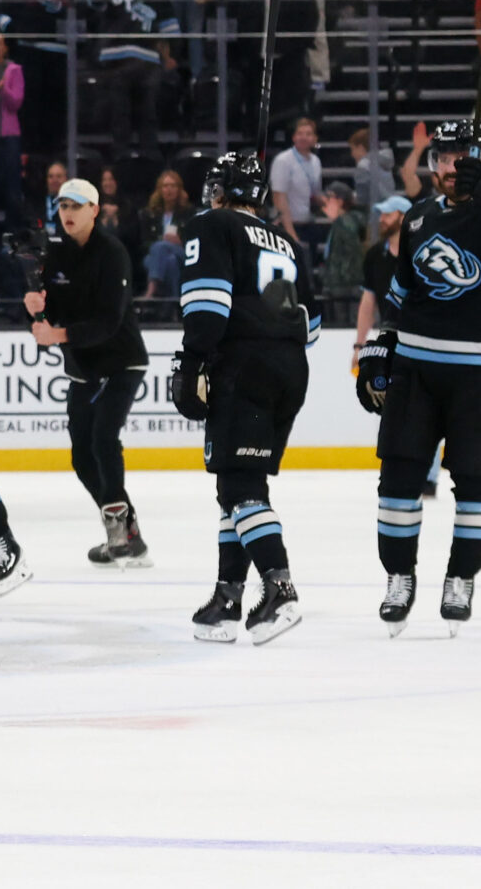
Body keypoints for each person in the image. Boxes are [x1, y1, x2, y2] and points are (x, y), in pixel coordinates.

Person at [357, 118, 481, 634]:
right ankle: (399, 576)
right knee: (397, 477)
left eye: (457, 158)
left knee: (476, 481)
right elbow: (401, 294)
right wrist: (379, 345)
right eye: (440, 158)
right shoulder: (418, 217)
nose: (447, 168)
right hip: (418, 366)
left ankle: (461, 578)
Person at [174, 150, 314, 644]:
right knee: (238, 483)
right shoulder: (287, 242)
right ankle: (228, 597)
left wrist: (192, 361)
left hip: (244, 366)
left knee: (241, 490)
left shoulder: (212, 225)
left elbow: (208, 308)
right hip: (291, 368)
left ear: (217, 190)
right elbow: (311, 327)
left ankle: (279, 588)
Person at [28, 176, 146, 562]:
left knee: (103, 438)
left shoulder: (113, 253)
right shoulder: (56, 252)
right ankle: (129, 531)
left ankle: (118, 532)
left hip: (120, 361)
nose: (68, 213)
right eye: (63, 206)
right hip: (83, 366)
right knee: (82, 456)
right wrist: (35, 307)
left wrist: (58, 333)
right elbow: (50, 311)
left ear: (94, 210)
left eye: (76, 206)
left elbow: (110, 320)